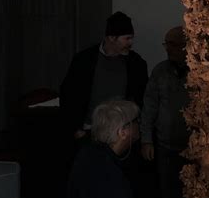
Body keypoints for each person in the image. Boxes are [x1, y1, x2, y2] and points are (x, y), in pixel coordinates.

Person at [60, 11, 148, 140]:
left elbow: (143, 98)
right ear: (112, 37)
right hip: (88, 130)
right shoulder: (84, 60)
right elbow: (69, 94)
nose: (131, 43)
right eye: (127, 38)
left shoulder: (136, 63)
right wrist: (75, 129)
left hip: (121, 133)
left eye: (131, 38)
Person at [140, 26, 190, 198]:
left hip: (193, 148)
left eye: (173, 45)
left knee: (192, 197)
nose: (168, 49)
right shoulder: (160, 71)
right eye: (166, 44)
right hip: (165, 148)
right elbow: (149, 107)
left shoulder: (201, 72)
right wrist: (146, 140)